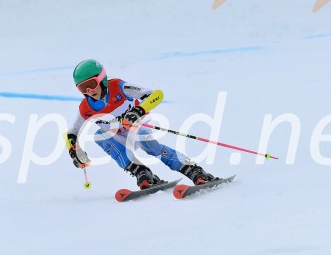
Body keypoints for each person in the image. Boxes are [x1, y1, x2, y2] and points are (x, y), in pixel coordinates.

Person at [65, 59, 218, 189]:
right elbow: (72, 132)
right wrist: (74, 151)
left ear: (102, 78)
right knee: (100, 136)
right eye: (83, 88)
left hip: (136, 128)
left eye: (92, 84)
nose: (89, 91)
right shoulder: (85, 108)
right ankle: (142, 173)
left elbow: (156, 95)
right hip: (117, 136)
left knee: (150, 145)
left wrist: (138, 111)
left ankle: (193, 170)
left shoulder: (118, 86)